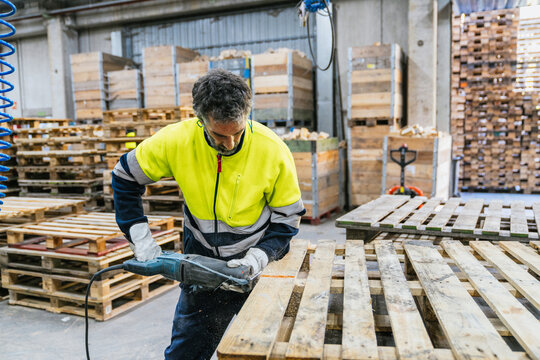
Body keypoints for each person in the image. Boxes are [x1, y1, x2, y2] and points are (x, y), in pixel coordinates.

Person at [111, 68, 305, 360]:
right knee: (185, 351)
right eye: (218, 134)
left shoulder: (272, 150)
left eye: (238, 133)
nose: (230, 144)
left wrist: (259, 257)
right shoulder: (175, 140)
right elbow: (125, 177)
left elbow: (287, 219)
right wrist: (140, 239)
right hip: (200, 258)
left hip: (256, 260)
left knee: (262, 349)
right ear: (199, 120)